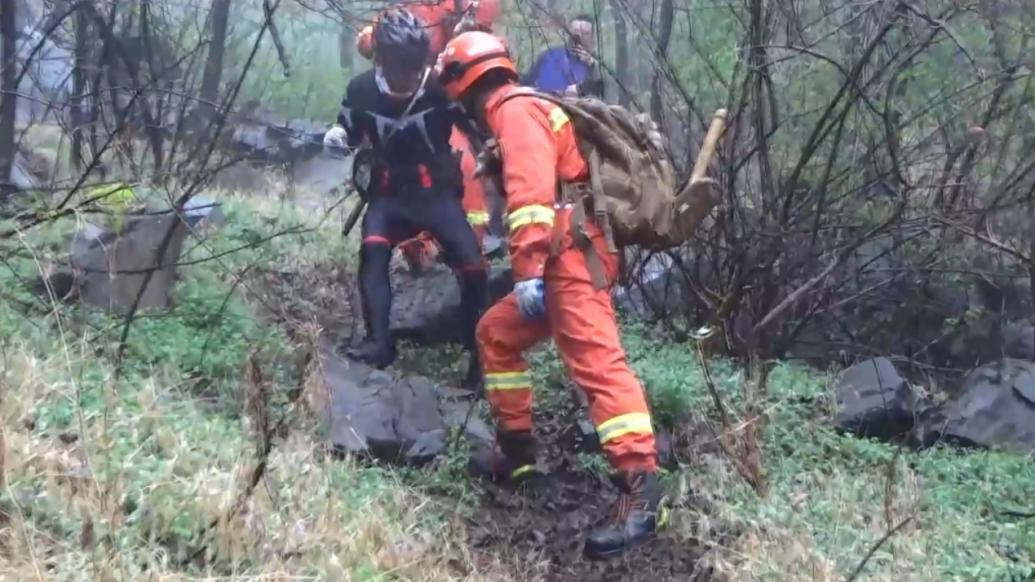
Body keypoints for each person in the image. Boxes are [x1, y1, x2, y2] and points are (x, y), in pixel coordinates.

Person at [436, 31, 663, 559]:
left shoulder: (516, 111)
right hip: (566, 256)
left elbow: (533, 201)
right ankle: (516, 453)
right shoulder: (520, 110)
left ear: (463, 86)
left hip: (570, 258)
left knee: (598, 366)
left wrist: (529, 270)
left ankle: (642, 495)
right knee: (496, 332)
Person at [323, 9, 488, 388]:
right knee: (373, 252)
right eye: (402, 69)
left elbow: (474, 124)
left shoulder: (438, 87)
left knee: (473, 265)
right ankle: (378, 342)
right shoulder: (361, 90)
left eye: (416, 67)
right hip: (388, 194)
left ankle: (480, 352)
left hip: (436, 193)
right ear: (382, 59)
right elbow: (347, 131)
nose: (411, 77)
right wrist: (336, 137)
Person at [352, 0, 501, 271]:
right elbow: (366, 43)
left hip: (444, 93)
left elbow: (481, 37)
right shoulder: (406, 7)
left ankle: (474, 249)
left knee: (466, 164)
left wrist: (464, 27)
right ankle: (418, 249)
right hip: (407, 95)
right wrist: (384, 42)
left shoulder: (464, 4)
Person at [522, 14, 603, 98]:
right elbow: (526, 84)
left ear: (593, 38)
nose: (578, 36)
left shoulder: (598, 67)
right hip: (544, 106)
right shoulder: (549, 56)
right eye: (574, 32)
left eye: (585, 33)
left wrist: (591, 63)